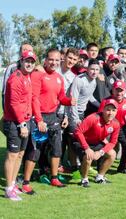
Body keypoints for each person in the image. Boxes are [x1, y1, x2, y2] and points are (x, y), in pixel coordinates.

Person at [30, 48, 76, 187]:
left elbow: (61, 97)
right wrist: (38, 120)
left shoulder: (59, 78)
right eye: (51, 59)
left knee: (57, 148)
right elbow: (35, 99)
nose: (54, 62)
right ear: (45, 60)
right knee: (38, 149)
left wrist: (69, 101)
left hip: (53, 116)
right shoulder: (38, 75)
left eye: (56, 60)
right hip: (40, 116)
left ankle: (54, 177)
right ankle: (39, 174)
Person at [3, 51, 36, 201]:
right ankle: (8, 189)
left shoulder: (27, 77)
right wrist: (22, 123)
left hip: (26, 120)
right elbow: (14, 104)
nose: (29, 64)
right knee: (12, 154)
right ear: (21, 61)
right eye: (27, 61)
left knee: (21, 154)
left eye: (32, 61)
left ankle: (12, 182)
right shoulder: (15, 79)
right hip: (16, 122)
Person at [74, 99, 120, 187]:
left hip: (96, 143)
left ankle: (100, 177)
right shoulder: (93, 118)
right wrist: (87, 148)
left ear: (116, 111)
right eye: (108, 109)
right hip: (82, 142)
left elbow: (113, 142)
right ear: (103, 109)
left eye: (113, 110)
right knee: (89, 156)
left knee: (112, 154)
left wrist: (100, 152)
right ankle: (84, 180)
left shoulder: (116, 123)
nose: (110, 113)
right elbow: (78, 132)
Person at [67, 59, 101, 179]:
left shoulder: (94, 81)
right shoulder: (79, 80)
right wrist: (75, 118)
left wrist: (101, 105)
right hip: (72, 113)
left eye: (97, 70)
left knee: (79, 140)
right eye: (92, 69)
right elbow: (73, 100)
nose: (94, 72)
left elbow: (89, 96)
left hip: (82, 113)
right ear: (87, 69)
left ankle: (82, 165)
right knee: (73, 141)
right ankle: (74, 167)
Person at [98, 81, 126, 173]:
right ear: (113, 90)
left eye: (121, 91)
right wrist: (101, 134)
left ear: (125, 91)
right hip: (107, 127)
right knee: (103, 146)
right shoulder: (105, 101)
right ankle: (100, 168)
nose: (119, 93)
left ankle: (122, 167)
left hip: (121, 128)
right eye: (116, 90)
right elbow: (99, 118)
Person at [2, 43, 33, 110]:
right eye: (25, 50)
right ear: (20, 53)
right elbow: (5, 92)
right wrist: (6, 111)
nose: (27, 52)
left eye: (30, 50)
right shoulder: (12, 68)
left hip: (26, 111)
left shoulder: (33, 68)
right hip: (13, 110)